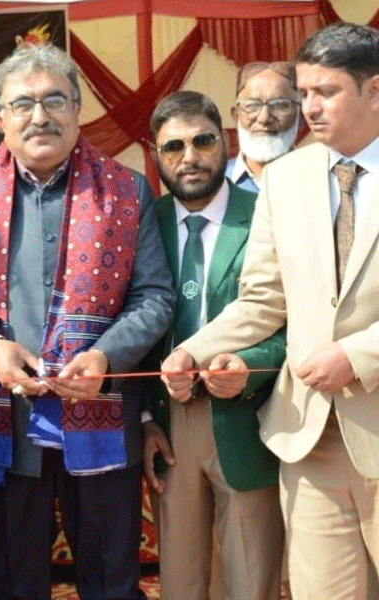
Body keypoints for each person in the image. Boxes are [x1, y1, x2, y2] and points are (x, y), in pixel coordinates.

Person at [0, 44, 174, 600]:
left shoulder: (128, 189)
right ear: (1, 118)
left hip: (103, 420)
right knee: (13, 585)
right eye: (23, 103)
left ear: (77, 109)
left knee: (113, 584)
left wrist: (106, 358)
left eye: (55, 99)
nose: (40, 115)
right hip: (7, 426)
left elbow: (154, 296)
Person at [161, 23, 379, 600]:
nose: (308, 107)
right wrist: (192, 350)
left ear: (375, 90)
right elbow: (262, 299)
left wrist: (359, 355)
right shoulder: (286, 180)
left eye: (325, 92)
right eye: (303, 92)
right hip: (310, 439)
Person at [141, 90, 284, 600]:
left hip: (249, 416)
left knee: (251, 581)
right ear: (155, 155)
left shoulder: (268, 213)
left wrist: (248, 366)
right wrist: (143, 420)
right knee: (181, 582)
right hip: (169, 428)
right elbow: (131, 321)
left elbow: (290, 321)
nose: (190, 157)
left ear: (224, 141)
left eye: (202, 141)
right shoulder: (145, 222)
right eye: (173, 146)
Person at [226, 61, 300, 192]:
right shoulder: (213, 183)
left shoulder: (324, 180)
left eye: (279, 105)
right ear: (236, 116)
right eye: (252, 105)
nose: (264, 118)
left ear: (301, 118)